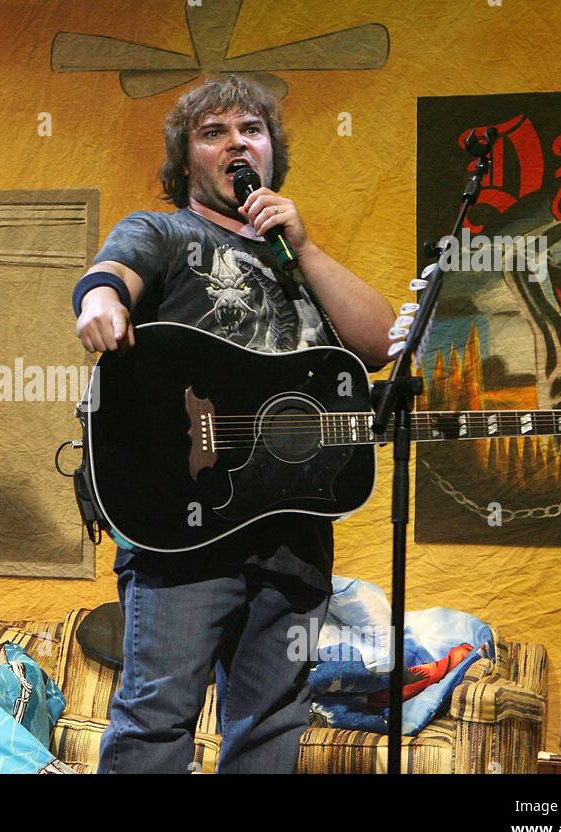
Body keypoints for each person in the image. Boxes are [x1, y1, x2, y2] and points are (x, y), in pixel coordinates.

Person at [72, 76, 394, 773]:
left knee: (272, 728)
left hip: (294, 536)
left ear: (272, 151)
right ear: (187, 162)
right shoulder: (164, 230)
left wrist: (303, 247)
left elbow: (384, 346)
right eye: (212, 133)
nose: (236, 143)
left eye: (251, 129)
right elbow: (111, 274)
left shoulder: (298, 262)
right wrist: (100, 301)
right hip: (183, 528)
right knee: (156, 721)